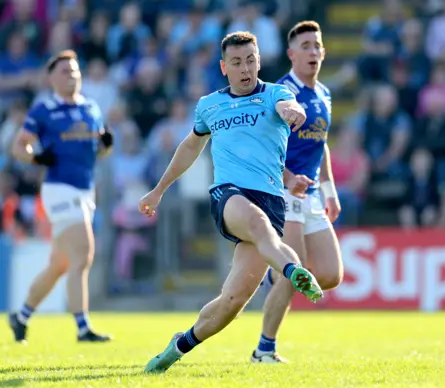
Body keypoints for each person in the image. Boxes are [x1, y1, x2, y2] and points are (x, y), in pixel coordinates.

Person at [140, 31, 324, 374]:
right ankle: (293, 271)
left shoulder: (275, 95)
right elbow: (190, 148)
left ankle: (177, 347)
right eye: (237, 63)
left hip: (271, 201)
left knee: (231, 303)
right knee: (258, 226)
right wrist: (159, 189)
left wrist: (293, 113)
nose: (245, 69)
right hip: (229, 196)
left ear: (259, 62)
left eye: (251, 61)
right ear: (225, 67)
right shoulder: (209, 105)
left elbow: (289, 106)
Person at [251, 21, 343, 363]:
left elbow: (322, 145)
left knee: (331, 274)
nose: (313, 52)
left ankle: (274, 277)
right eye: (305, 46)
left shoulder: (324, 94)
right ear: (291, 54)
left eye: (317, 46)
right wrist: (288, 177)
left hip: (313, 195)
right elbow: (264, 147)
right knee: (295, 270)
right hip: (282, 193)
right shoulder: (282, 93)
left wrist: (330, 190)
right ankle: (264, 349)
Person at [9, 50, 114, 343]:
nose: (72, 75)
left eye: (75, 70)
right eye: (65, 71)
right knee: (83, 253)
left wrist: (106, 145)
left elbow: (99, 151)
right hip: (59, 190)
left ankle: (21, 316)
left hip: (86, 190)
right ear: (52, 78)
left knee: (61, 264)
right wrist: (37, 159)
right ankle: (83, 327)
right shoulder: (44, 110)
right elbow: (20, 147)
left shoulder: (91, 108)